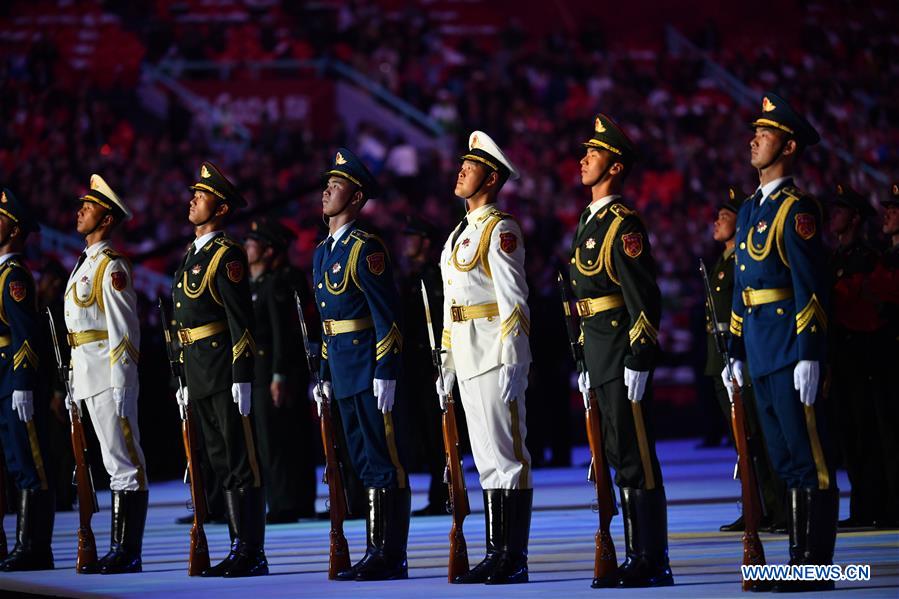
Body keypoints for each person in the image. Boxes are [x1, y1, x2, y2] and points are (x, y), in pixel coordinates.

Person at [724, 93, 837, 592]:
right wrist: (735, 348)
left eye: (764, 134)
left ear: (789, 146)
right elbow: (740, 286)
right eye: (754, 132)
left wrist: (809, 353)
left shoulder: (797, 209)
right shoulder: (751, 208)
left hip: (790, 348)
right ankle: (796, 561)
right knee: (783, 460)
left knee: (809, 459)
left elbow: (810, 287)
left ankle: (816, 567)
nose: (753, 140)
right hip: (760, 349)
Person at [569, 115, 672, 588]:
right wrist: (583, 356)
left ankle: (651, 559)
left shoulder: (622, 224)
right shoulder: (589, 222)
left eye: (594, 153)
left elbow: (643, 297)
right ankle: (634, 555)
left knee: (635, 454)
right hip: (598, 350)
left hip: (620, 349)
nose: (583, 159)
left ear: (614, 167)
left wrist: (640, 355)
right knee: (615, 451)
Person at [435, 131, 533, 585]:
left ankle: (513, 557)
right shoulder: (459, 233)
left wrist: (514, 356)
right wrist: (447, 361)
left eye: (470, 167)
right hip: (467, 353)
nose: (460, 171)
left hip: (494, 353)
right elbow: (451, 305)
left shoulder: (500, 229)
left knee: (508, 456)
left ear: (491, 178)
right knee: (486, 459)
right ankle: (496, 553)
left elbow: (514, 300)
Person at [312, 147, 410, 581]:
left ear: (355, 198)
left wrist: (385, 370)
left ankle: (389, 555)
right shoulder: (322, 252)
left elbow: (387, 316)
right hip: (343, 370)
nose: (326, 191)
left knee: (383, 458)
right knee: (361, 461)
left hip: (369, 369)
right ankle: (374, 550)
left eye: (336, 186)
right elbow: (326, 323)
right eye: (327, 184)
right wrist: (324, 373)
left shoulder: (365, 248)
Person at [171, 161, 266, 577]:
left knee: (239, 458)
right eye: (194, 194)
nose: (193, 200)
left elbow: (240, 321)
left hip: (223, 370)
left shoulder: (227, 254)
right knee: (219, 460)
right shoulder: (192, 254)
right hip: (198, 370)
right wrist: (181, 375)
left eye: (202, 196)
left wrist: (242, 375)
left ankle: (251, 551)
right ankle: (236, 545)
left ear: (222, 208)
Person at [63, 175, 148, 574]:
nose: (81, 210)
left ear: (107, 218)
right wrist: (72, 378)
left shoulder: (112, 266)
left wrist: (122, 382)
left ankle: (127, 551)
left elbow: (124, 331)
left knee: (124, 461)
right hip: (87, 375)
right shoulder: (85, 263)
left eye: (90, 206)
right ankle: (118, 549)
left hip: (108, 377)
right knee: (110, 462)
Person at [706, 188, 786, 534]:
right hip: (720, 356)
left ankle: (778, 508)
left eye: (724, 217)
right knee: (743, 443)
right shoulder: (722, 260)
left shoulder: (741, 259)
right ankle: (754, 507)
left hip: (740, 352)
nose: (716, 222)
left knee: (758, 437)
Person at [244, 217, 316, 522]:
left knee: (281, 438)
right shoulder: (257, 282)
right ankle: (285, 500)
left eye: (253, 244)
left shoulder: (281, 280)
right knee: (271, 438)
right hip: (262, 369)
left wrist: (279, 373)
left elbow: (282, 332)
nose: (247, 248)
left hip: (278, 368)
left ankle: (287, 502)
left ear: (270, 249)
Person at [0, 187, 55, 571]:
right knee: (14, 462)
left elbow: (26, 335)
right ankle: (20, 545)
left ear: (15, 230)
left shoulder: (14, 276)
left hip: (11, 380)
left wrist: (22, 382)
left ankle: (33, 546)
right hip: (2, 380)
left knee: (28, 463)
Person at [826, 184, 883, 529]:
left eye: (841, 211)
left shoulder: (866, 257)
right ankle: (862, 506)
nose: (834, 216)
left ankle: (872, 506)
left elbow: (856, 307)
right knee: (847, 435)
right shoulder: (835, 257)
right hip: (841, 356)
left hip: (861, 355)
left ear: (856, 218)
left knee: (865, 434)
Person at [398, 216, 449, 516]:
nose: (407, 242)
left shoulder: (434, 275)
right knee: (422, 433)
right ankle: (437, 494)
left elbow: (440, 321)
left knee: (437, 433)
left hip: (431, 363)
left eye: (412, 237)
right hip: (412, 364)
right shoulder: (408, 275)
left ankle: (444, 494)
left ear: (426, 242)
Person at [862, 184, 899, 529]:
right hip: (881, 351)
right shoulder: (885, 256)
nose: (887, 215)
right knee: (883, 434)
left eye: (895, 211)